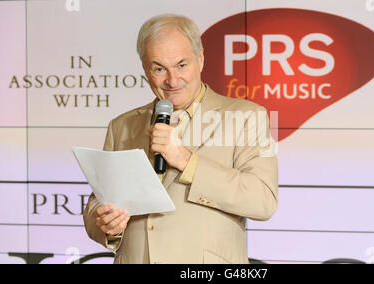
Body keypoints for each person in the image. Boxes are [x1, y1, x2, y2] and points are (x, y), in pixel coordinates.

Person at [83, 14, 278, 264]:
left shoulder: (247, 116)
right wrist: (105, 224)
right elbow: (97, 204)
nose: (172, 80)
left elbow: (262, 201)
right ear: (145, 70)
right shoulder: (122, 126)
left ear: (201, 59)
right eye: (159, 68)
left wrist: (186, 160)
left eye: (181, 65)